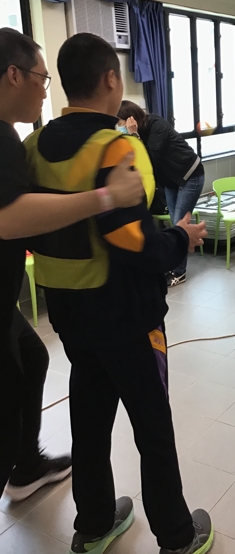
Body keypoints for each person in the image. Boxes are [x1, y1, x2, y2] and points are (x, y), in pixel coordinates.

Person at [24, 32, 212, 554]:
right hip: (127, 313)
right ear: (111, 79)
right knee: (152, 426)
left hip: (68, 311)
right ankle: (177, 536)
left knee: (89, 418)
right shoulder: (116, 146)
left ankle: (94, 524)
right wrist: (181, 237)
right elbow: (131, 241)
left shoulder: (33, 147)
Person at [0, 28, 143, 503]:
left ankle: (29, 468)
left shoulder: (25, 142)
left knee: (37, 360)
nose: (45, 90)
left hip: (43, 302)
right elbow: (11, 218)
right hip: (113, 307)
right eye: (40, 78)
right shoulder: (8, 141)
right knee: (6, 414)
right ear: (14, 75)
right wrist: (107, 197)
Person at [118, 101, 205, 287]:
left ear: (131, 118)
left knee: (179, 222)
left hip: (190, 175)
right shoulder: (139, 132)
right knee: (175, 222)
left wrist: (133, 135)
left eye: (121, 123)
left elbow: (149, 158)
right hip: (170, 180)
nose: (120, 127)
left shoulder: (157, 126)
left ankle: (179, 272)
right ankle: (172, 266)